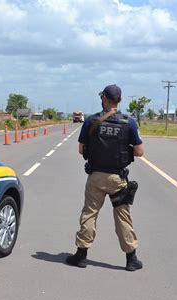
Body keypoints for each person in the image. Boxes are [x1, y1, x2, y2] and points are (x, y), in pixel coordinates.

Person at [66, 84, 144, 272]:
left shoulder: (92, 121)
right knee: (123, 216)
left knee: (89, 214)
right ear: (119, 100)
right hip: (118, 178)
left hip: (96, 176)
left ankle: (81, 256)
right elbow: (140, 151)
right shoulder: (129, 122)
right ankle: (131, 259)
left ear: (104, 99)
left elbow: (81, 149)